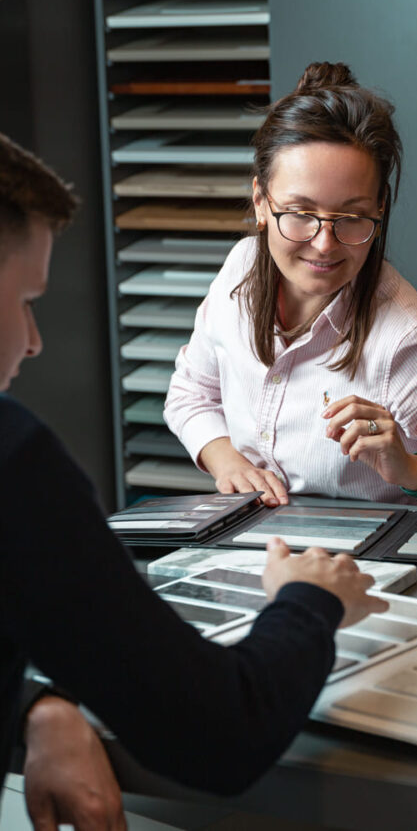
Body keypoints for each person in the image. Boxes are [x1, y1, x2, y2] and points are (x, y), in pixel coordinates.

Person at [0, 132, 387, 827]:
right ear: (262, 207)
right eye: (26, 300)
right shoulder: (13, 462)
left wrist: (34, 706)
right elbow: (221, 734)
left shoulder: (406, 329)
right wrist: (306, 600)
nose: (33, 340)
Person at [164, 62, 417, 513]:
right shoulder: (241, 268)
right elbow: (190, 393)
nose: (324, 245)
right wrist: (225, 460)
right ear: (262, 202)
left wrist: (414, 471)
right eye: (300, 213)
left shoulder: (409, 339)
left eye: (352, 217)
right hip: (253, 545)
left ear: (380, 208)